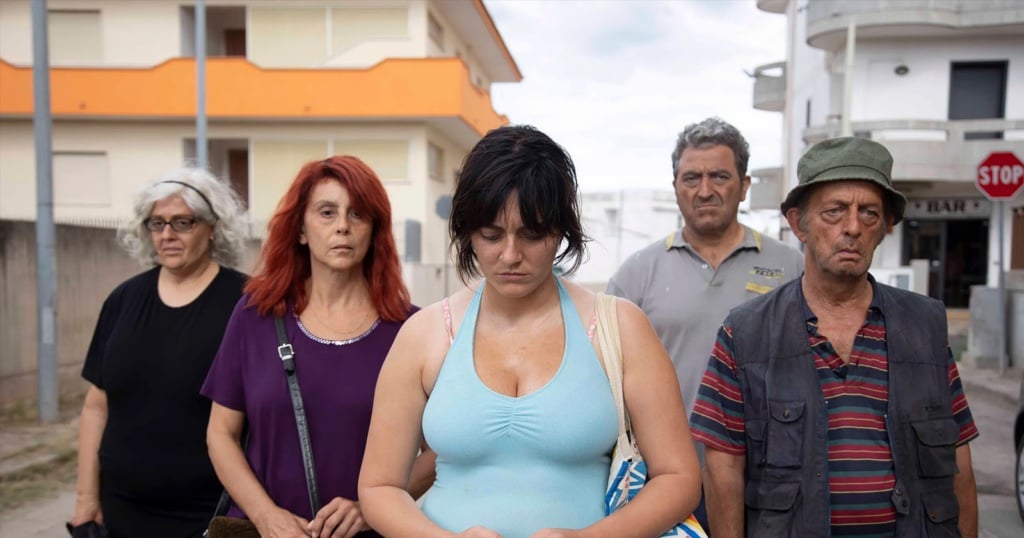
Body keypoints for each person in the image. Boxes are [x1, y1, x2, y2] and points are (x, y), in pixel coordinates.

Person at [358, 125, 701, 537]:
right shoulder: (425, 333)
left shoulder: (618, 327)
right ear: (469, 232)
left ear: (560, 231)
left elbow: (679, 478)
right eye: (491, 235)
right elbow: (379, 486)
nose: (510, 255)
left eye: (531, 234)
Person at [690, 137, 979, 537]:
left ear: (886, 228)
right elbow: (722, 469)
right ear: (798, 224)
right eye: (834, 212)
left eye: (869, 213)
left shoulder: (925, 326)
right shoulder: (745, 332)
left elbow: (958, 460)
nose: (853, 227)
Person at [202, 156, 433, 538]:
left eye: (357, 214)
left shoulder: (410, 329)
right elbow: (220, 435)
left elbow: (438, 453)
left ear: (374, 231)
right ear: (301, 230)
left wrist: (372, 507)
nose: (342, 225)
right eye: (327, 212)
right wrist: (266, 516)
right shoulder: (256, 315)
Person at [71, 168, 249, 537]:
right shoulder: (123, 300)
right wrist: (86, 501)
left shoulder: (247, 303)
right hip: (122, 508)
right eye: (157, 223)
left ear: (213, 226)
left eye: (182, 222)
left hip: (212, 510)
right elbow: (96, 406)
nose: (167, 235)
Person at [607, 116, 803, 421]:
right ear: (675, 187)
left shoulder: (790, 267)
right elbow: (607, 377)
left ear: (744, 186)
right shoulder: (636, 274)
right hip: (664, 464)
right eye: (691, 178)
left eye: (720, 177)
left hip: (765, 463)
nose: (705, 190)